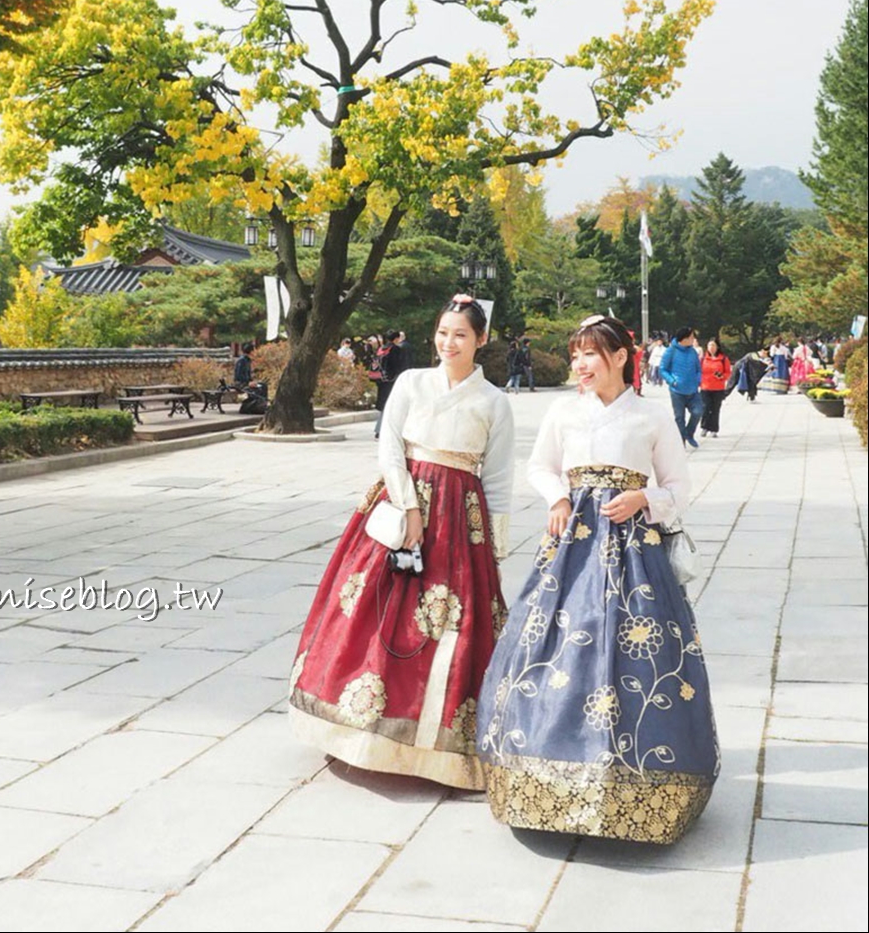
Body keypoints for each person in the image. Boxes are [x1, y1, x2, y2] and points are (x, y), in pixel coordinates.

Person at [476, 314, 719, 843]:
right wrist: (558, 497)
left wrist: (644, 498)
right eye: (576, 355)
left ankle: (641, 776)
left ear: (620, 356)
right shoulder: (564, 412)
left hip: (635, 552)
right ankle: (545, 765)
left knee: (637, 650)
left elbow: (680, 485)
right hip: (571, 550)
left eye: (590, 354)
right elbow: (539, 466)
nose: (580, 365)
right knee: (555, 642)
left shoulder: (650, 418)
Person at [289, 295, 515, 789]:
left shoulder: (495, 401)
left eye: (460, 334)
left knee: (450, 627)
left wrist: (493, 552)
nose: (448, 342)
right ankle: (361, 732)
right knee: (372, 609)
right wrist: (410, 506)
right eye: (442, 331)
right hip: (400, 500)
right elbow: (389, 446)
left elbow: (497, 479)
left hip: (462, 517)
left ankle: (437, 747)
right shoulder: (412, 383)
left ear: (481, 339)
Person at [660, 326, 704, 448]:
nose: (693, 339)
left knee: (698, 412)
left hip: (693, 390)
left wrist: (698, 380)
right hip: (677, 391)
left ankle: (689, 434)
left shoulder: (693, 352)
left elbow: (698, 369)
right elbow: (663, 369)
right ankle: (680, 442)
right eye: (691, 337)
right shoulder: (671, 351)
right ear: (684, 339)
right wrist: (672, 381)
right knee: (679, 417)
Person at [699, 338, 732, 436]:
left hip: (718, 388)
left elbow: (728, 372)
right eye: (709, 345)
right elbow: (698, 371)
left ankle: (714, 429)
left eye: (713, 345)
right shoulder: (703, 359)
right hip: (705, 387)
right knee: (705, 407)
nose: (711, 348)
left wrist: (722, 376)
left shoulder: (723, 359)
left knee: (715, 409)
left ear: (717, 347)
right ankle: (704, 427)